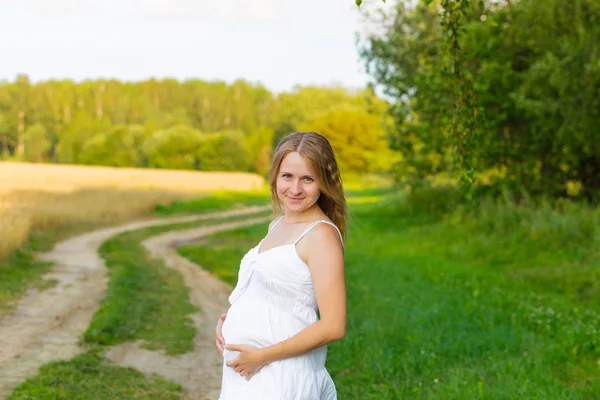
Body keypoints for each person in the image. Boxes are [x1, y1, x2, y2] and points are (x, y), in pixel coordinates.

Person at [215, 131, 348, 399]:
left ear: (323, 182)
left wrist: (261, 355)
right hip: (249, 371)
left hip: (280, 375)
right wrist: (229, 321)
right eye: (288, 176)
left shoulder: (320, 235)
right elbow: (274, 294)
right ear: (275, 175)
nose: (295, 189)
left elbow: (334, 325)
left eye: (307, 179)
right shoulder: (277, 225)